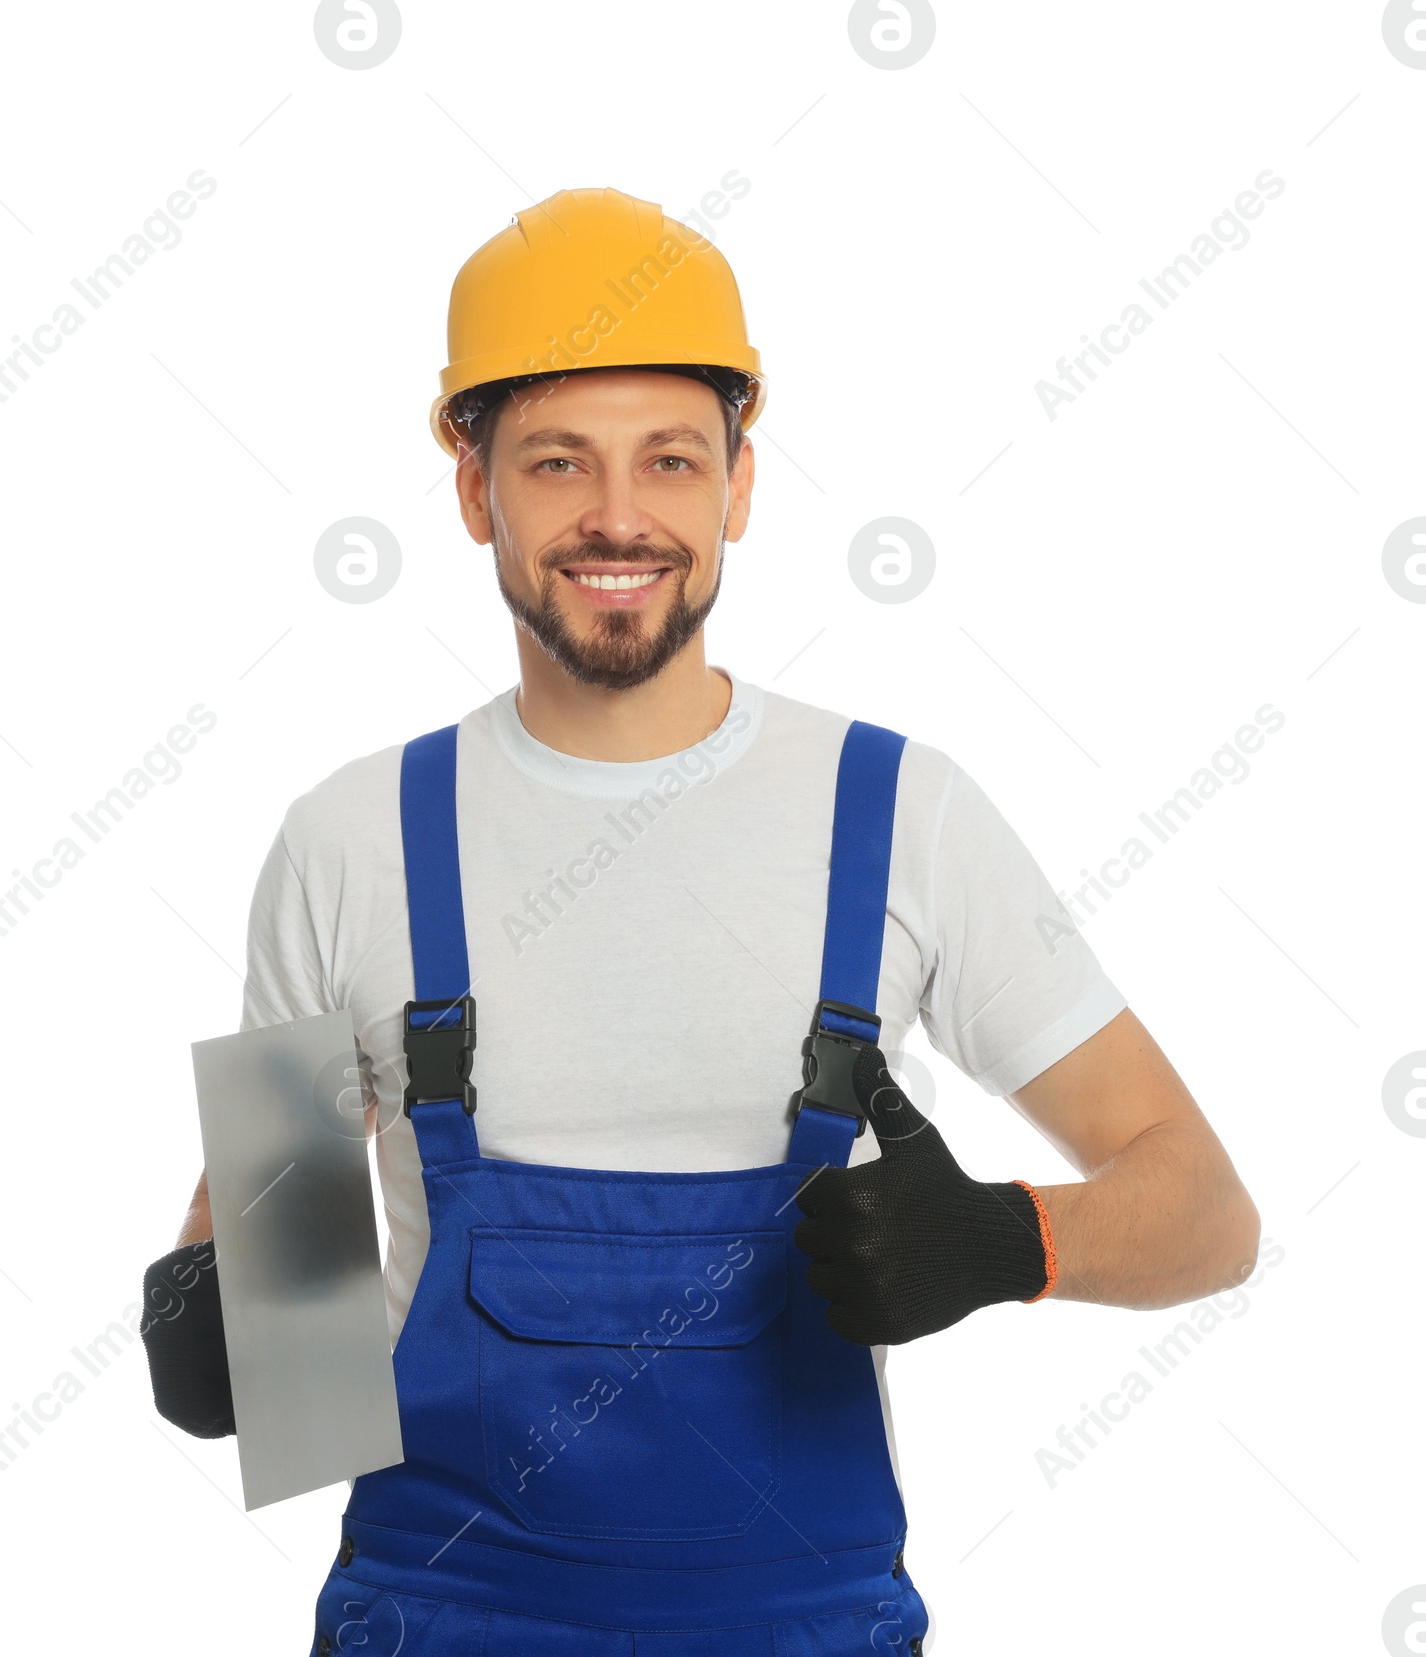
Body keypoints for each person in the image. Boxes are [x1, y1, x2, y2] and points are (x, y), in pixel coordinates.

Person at [141, 187, 1260, 1656]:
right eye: (557, 462)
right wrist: (218, 1312)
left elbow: (1210, 1213)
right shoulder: (346, 840)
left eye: (670, 459)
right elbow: (281, 1327)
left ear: (739, 484)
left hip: (801, 1624)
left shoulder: (904, 813)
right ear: (475, 488)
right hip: (444, 1616)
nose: (619, 517)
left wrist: (1007, 1238)